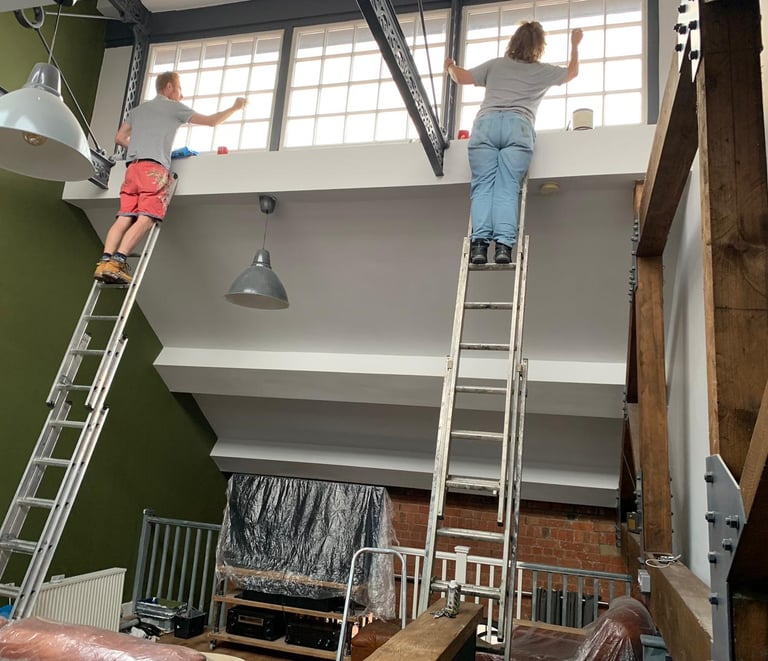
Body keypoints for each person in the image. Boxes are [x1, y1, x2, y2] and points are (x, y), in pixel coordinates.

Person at [445, 22, 583, 264]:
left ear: (513, 42)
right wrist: (574, 45)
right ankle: (503, 248)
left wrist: (450, 67)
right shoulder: (542, 71)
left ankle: (479, 246)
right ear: (539, 47)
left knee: (483, 187)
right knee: (507, 187)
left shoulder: (496, 65)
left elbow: (461, 77)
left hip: (486, 126)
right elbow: (572, 73)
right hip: (518, 127)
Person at [94, 71, 247, 284]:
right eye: (180, 90)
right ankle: (117, 262)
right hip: (153, 170)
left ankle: (104, 262)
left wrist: (141, 146)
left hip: (132, 169)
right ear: (168, 87)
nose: (181, 96)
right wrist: (235, 107)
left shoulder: (138, 110)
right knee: (147, 217)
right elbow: (212, 122)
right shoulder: (173, 107)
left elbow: (119, 138)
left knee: (125, 216)